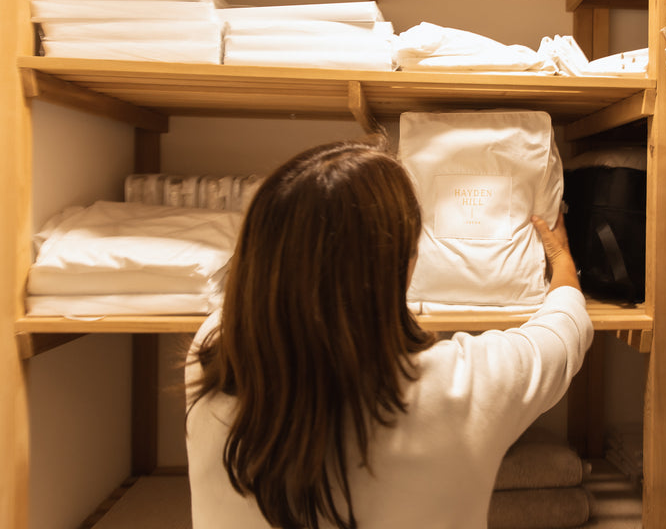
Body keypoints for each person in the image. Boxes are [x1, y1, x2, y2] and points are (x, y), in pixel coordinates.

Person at [185, 139, 593, 529]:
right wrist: (560, 259)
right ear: (405, 264)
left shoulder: (210, 356)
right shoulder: (466, 385)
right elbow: (565, 329)